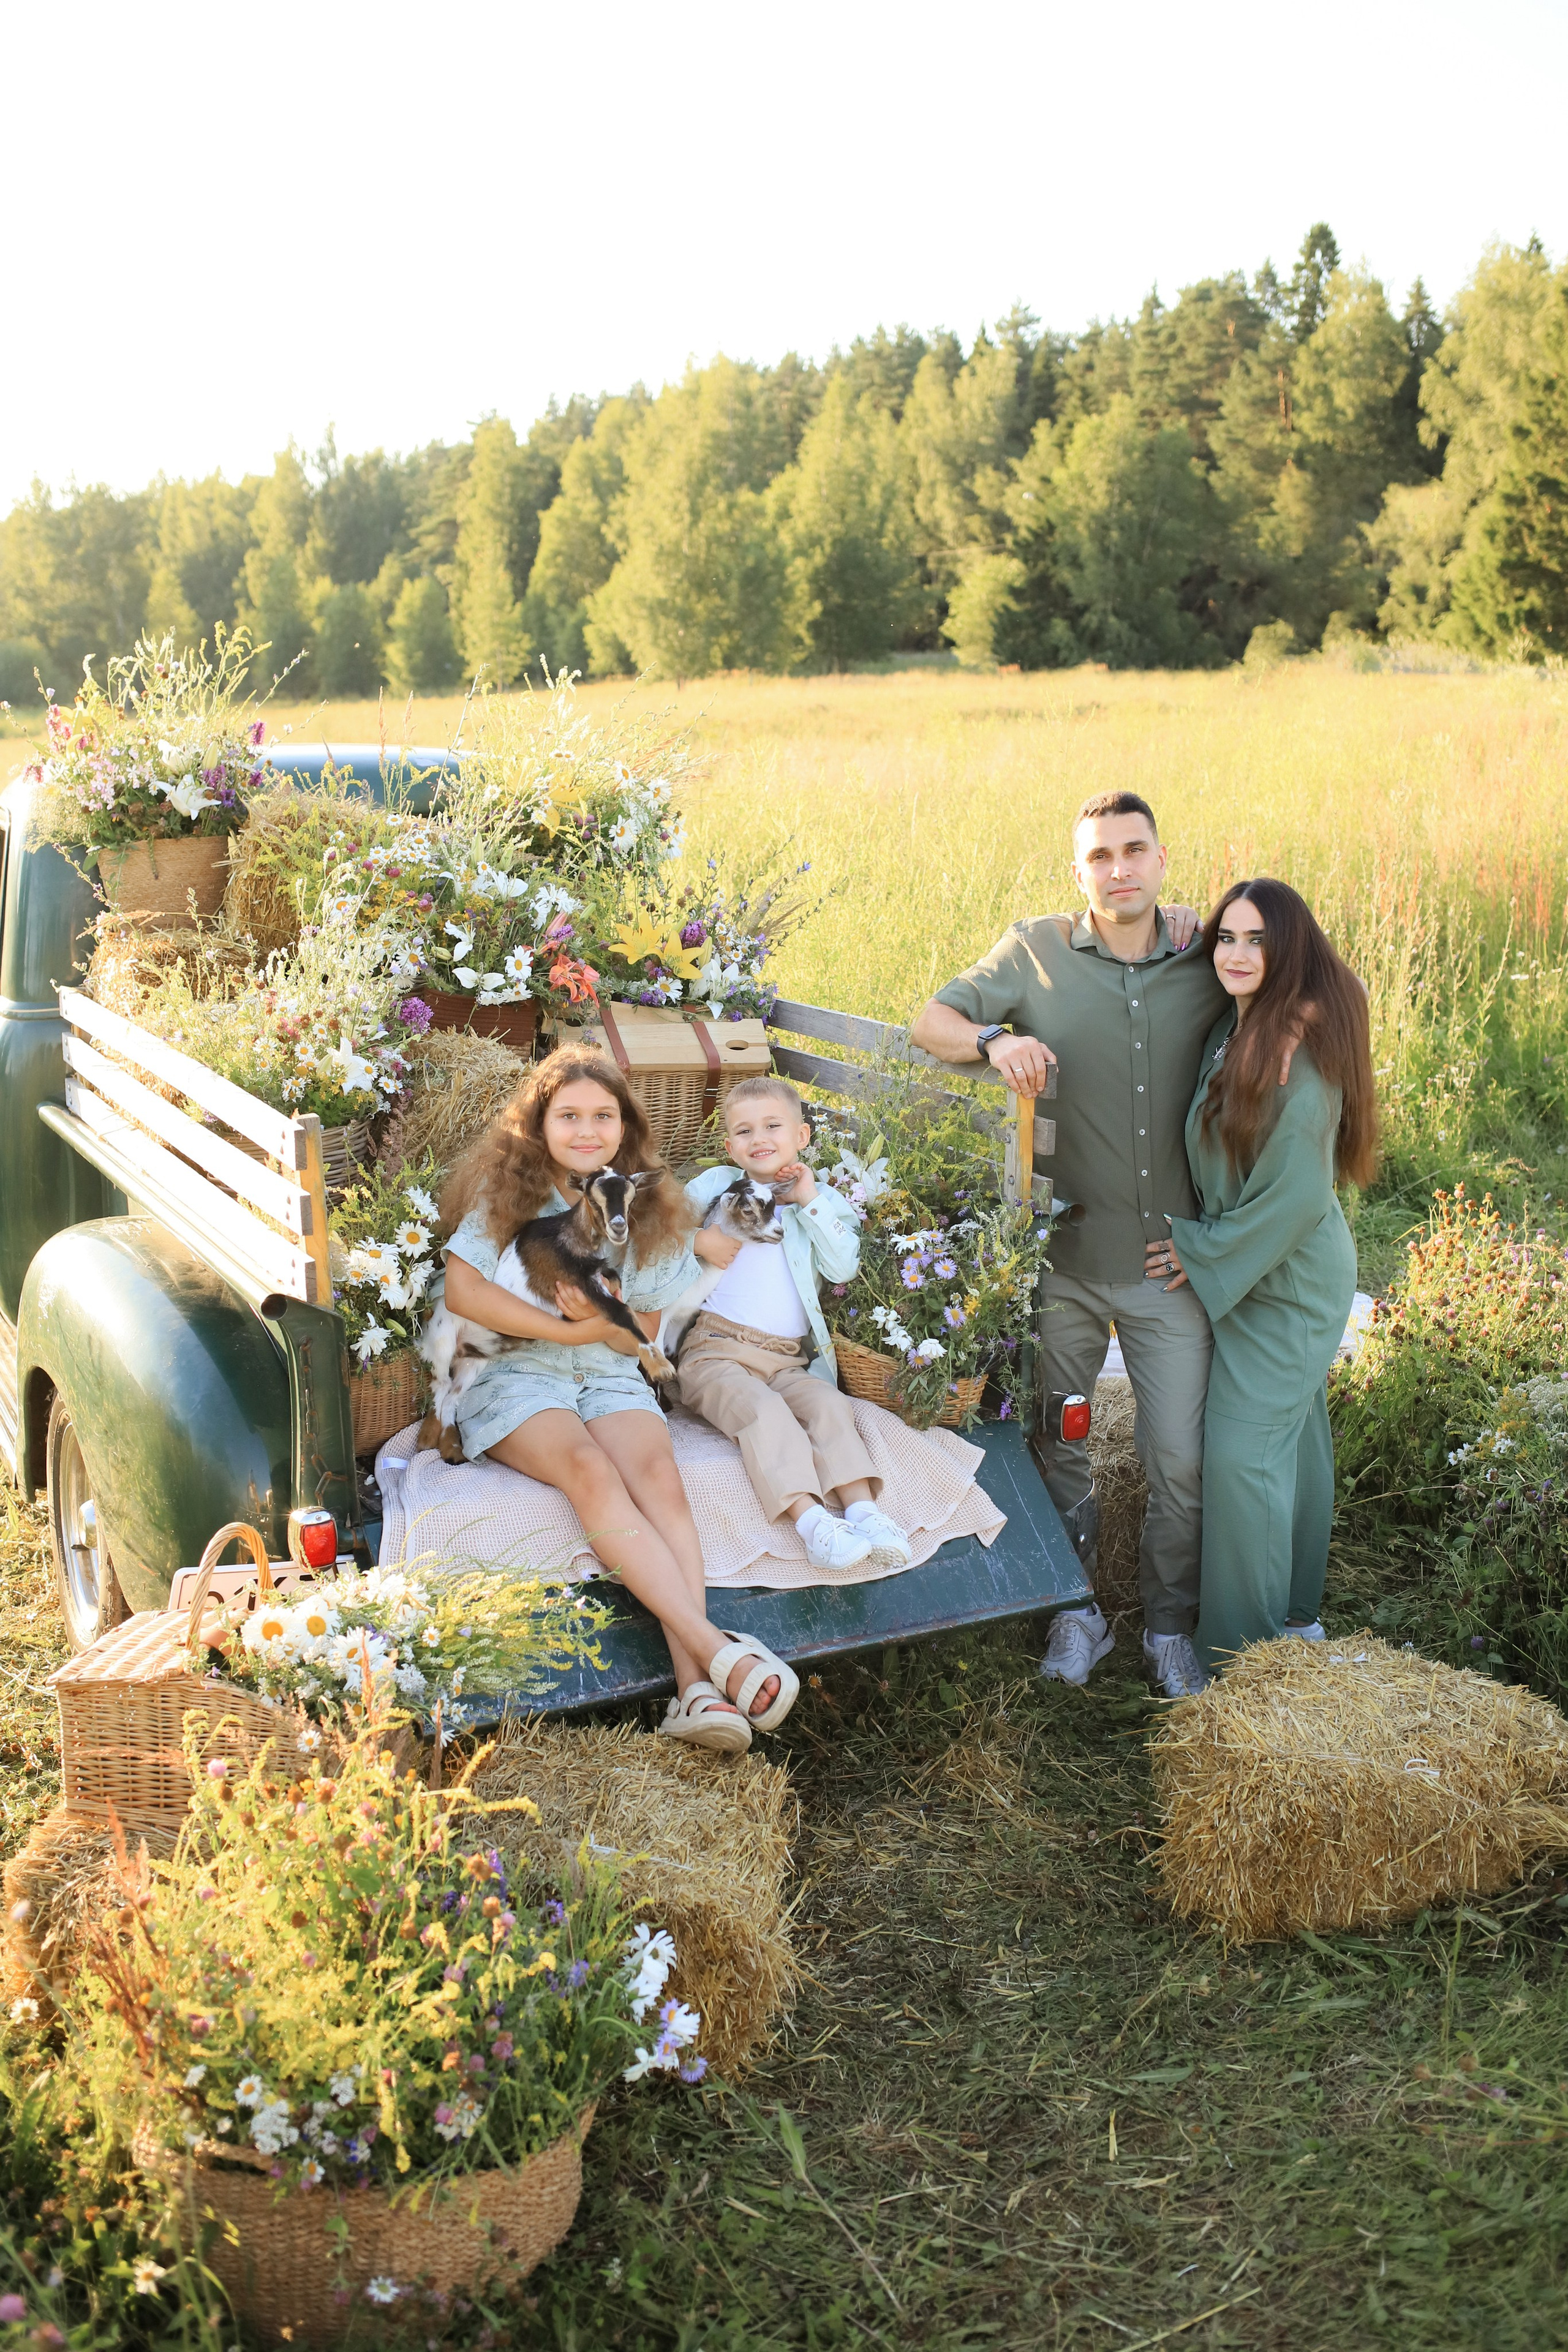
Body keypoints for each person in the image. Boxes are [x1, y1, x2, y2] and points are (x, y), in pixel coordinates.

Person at [911, 790, 1224, 1698]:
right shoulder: (1035, 951)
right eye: (1100, 856)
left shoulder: (1206, 955)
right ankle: (1074, 1611)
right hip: (1067, 1272)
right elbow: (931, 1022)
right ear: (1078, 868)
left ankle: (1170, 1629)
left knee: (1179, 1459)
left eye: (1135, 851)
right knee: (1061, 1436)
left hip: (1169, 1272)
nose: (1119, 870)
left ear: (1163, 859)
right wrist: (993, 1038)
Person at [435, 1047, 800, 1755]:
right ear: (538, 1124)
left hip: (607, 1372)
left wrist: (617, 1328)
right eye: (568, 1115)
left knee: (662, 1479)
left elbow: (649, 1333)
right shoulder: (508, 1191)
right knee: (591, 1471)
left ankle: (695, 1691)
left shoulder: (650, 1200)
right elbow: (464, 1292)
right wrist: (574, 1326)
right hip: (515, 1370)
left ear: (624, 1125)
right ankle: (715, 1650)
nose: (586, 1129)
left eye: (603, 1115)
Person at [1147, 880, 1375, 1674]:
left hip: (1290, 1278)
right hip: (1261, 1265)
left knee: (1243, 1453)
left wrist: (1200, 1250)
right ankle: (1295, 1617)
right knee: (1294, 1436)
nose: (1239, 955)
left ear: (1288, 955)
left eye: (1258, 942)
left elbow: (1300, 1196)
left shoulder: (1299, 1062)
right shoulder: (1242, 1025)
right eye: (1227, 939)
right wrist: (1184, 929)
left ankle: (1239, 1664)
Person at [677, 1076, 914, 1572]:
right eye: (743, 1131)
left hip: (787, 1359)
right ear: (728, 1145)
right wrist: (701, 1241)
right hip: (717, 1350)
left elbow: (843, 1267)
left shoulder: (820, 1199)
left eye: (772, 1126)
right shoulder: (714, 1186)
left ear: (802, 1137)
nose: (758, 1138)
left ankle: (863, 1512)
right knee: (764, 1413)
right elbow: (660, 1233)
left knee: (829, 1405)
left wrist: (809, 1199)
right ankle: (813, 1525)